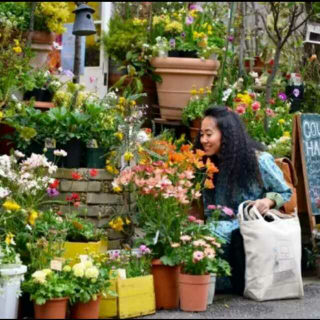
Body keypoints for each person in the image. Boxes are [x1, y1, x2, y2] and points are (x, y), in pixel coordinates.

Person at [195, 106, 293, 293]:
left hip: (248, 225)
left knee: (211, 235)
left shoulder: (258, 161)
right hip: (216, 225)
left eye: (209, 134)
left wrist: (268, 201)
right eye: (201, 135)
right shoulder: (209, 165)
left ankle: (217, 285)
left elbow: (285, 191)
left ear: (227, 134)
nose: (203, 140)